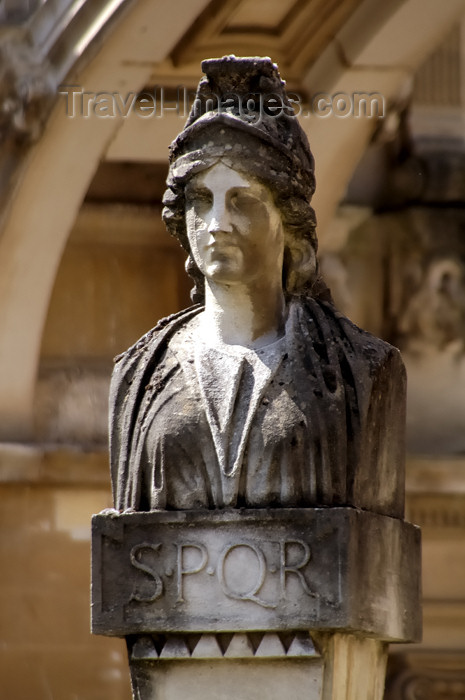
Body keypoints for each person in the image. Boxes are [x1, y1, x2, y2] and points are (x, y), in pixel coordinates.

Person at [109, 56, 406, 517]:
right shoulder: (138, 373)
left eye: (242, 200)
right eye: (201, 201)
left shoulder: (364, 371)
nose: (216, 224)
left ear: (288, 224)